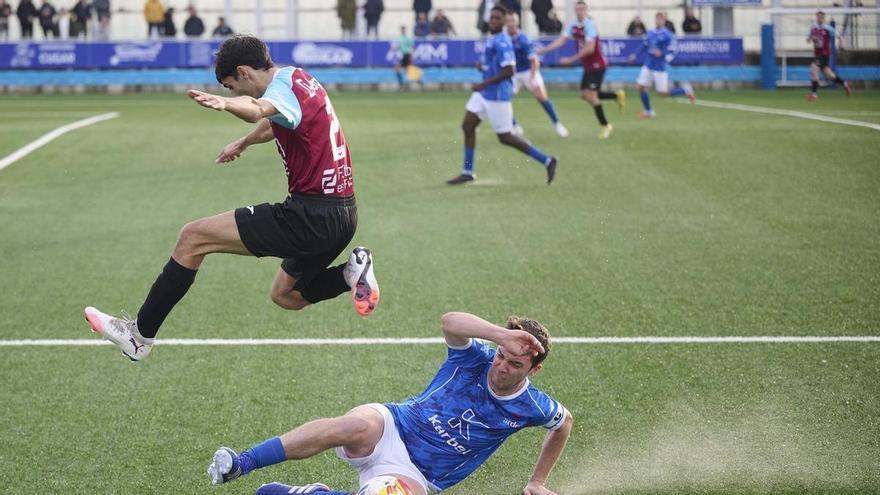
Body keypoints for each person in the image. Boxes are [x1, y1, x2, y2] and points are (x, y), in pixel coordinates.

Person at [84, 35, 380, 362]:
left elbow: (258, 110)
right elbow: (276, 122)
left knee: (193, 237)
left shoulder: (277, 92)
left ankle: (139, 337)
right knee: (286, 295)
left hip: (311, 216)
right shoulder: (298, 78)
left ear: (243, 72)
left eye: (230, 86)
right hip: (343, 214)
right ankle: (351, 274)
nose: (233, 93)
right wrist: (244, 142)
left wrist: (226, 105)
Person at [206, 311, 572, 495]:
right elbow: (450, 321)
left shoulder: (532, 406)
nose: (502, 366)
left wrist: (538, 481)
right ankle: (243, 462)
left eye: (515, 364)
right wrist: (500, 334)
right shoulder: (474, 356)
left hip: (417, 475)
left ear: (534, 370)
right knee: (351, 426)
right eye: (502, 354)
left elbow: (563, 423)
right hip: (393, 425)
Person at [447, 5, 557, 186]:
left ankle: (547, 160)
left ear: (504, 22)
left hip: (497, 95)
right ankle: (467, 171)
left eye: (497, 18)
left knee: (505, 137)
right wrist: (483, 68)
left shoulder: (503, 41)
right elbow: (494, 65)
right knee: (467, 126)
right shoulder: (493, 38)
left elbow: (509, 70)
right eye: (491, 18)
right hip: (484, 94)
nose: (493, 21)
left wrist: (484, 83)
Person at [539, 0, 623, 140]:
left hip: (597, 65)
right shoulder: (573, 26)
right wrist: (545, 49)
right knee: (584, 94)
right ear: (575, 10)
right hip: (588, 66)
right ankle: (616, 96)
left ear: (586, 10)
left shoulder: (590, 26)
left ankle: (605, 125)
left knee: (591, 95)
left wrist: (570, 60)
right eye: (577, 9)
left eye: (582, 9)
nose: (580, 12)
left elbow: (590, 49)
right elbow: (561, 40)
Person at [506, 11, 568, 138]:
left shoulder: (523, 39)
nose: (510, 24)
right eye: (508, 21)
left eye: (513, 21)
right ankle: (514, 126)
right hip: (513, 73)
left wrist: (533, 76)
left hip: (529, 70)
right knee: (503, 99)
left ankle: (557, 124)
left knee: (541, 97)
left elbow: (534, 60)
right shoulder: (503, 38)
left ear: (517, 22)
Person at [629, 11, 695, 119]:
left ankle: (686, 90)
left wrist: (663, 53)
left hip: (659, 67)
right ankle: (648, 111)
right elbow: (644, 45)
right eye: (657, 19)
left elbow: (673, 50)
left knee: (662, 93)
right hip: (648, 64)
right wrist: (634, 55)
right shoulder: (650, 32)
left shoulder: (668, 35)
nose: (658, 21)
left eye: (660, 19)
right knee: (640, 87)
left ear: (664, 21)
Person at [806, 10, 852, 101]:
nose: (820, 18)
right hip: (818, 54)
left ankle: (814, 94)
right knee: (829, 75)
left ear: (824, 18)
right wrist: (811, 38)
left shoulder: (828, 28)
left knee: (814, 68)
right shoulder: (813, 28)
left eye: (822, 17)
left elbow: (840, 36)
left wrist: (841, 44)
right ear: (816, 17)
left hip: (824, 54)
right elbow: (808, 40)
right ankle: (845, 84)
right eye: (818, 16)